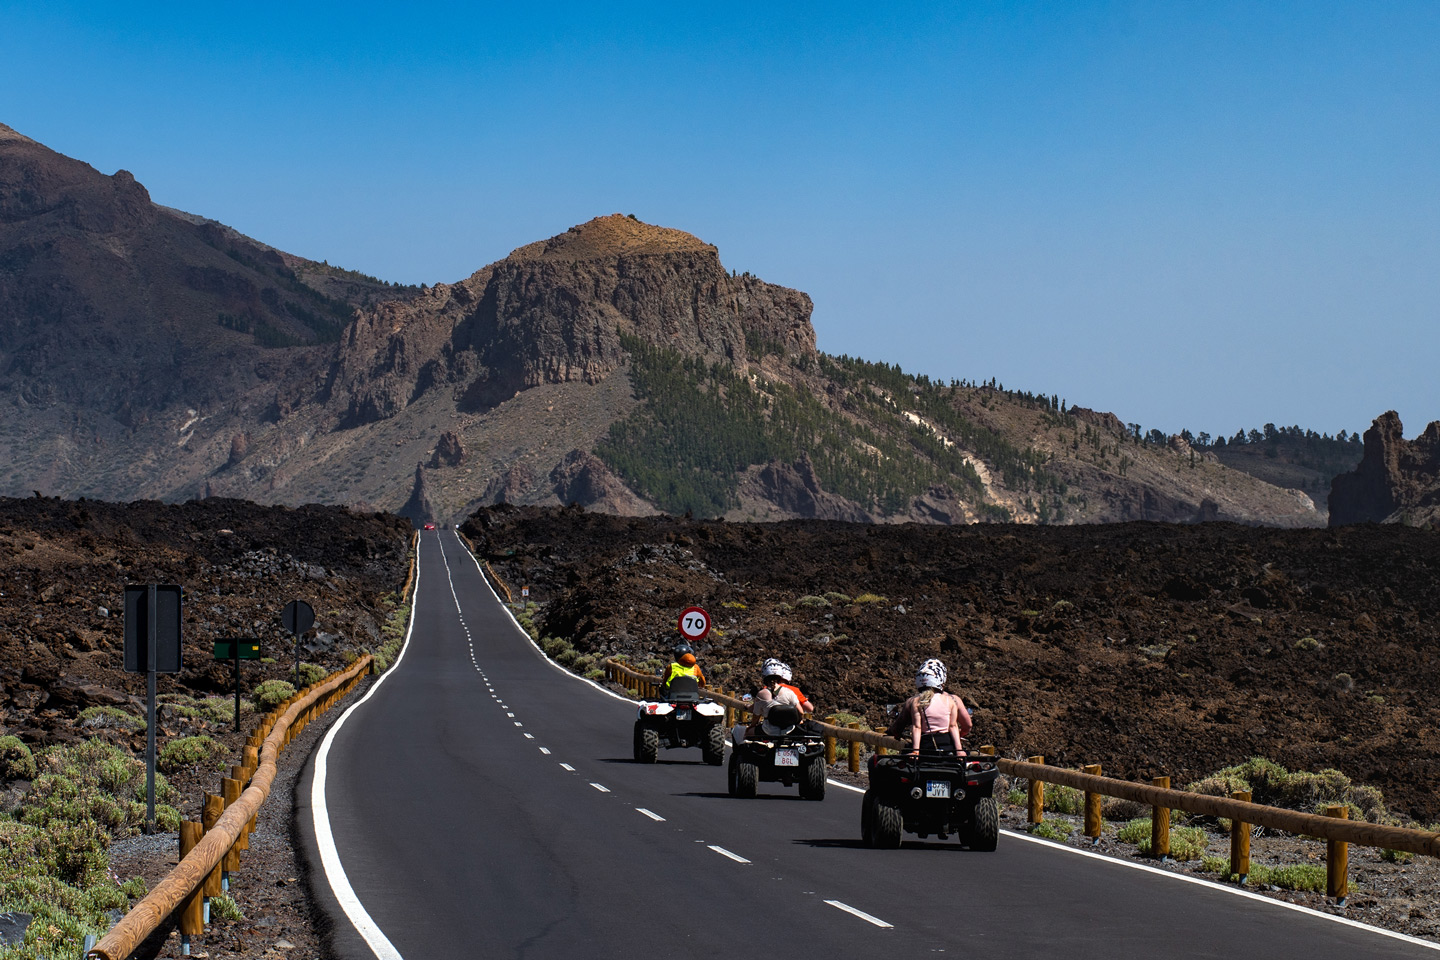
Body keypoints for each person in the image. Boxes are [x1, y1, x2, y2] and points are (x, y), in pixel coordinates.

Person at [892, 658, 971, 756]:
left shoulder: (915, 701)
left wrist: (915, 751)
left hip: (925, 745)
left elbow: (916, 727)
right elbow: (954, 726)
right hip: (948, 745)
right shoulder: (952, 700)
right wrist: (959, 750)